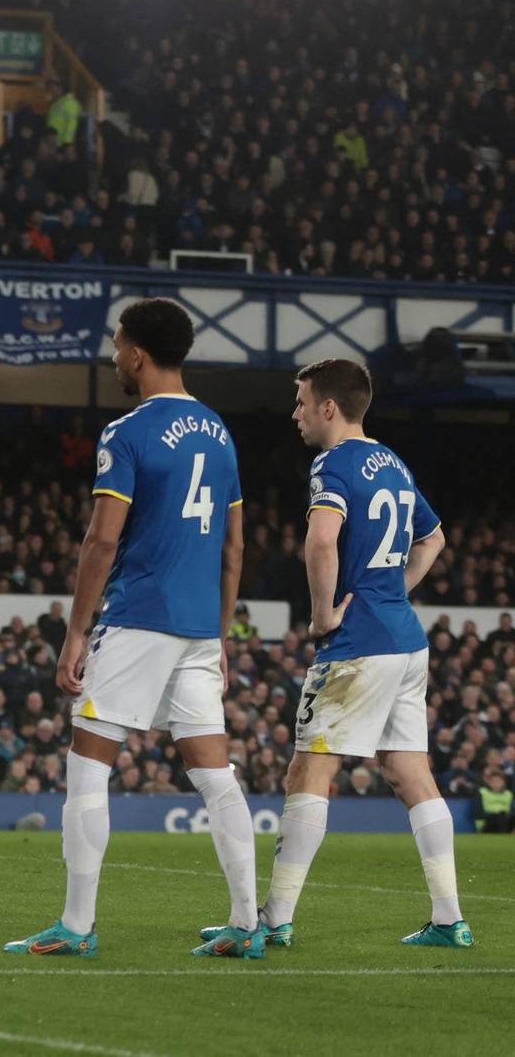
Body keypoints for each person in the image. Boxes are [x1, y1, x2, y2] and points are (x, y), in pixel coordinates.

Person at [6, 298, 261, 959]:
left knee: (88, 764)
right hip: (201, 625)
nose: (114, 354)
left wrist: (73, 633)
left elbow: (100, 541)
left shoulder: (128, 432)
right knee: (215, 772)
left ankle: (76, 925)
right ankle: (245, 921)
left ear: (139, 353)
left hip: (139, 615)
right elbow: (235, 548)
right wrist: (223, 634)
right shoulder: (219, 432)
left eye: (118, 344)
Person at [221, 359, 469, 947]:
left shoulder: (332, 464)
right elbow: (434, 538)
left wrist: (325, 613)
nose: (296, 412)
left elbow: (323, 538)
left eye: (302, 401)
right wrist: (391, 592)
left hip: (357, 645)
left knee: (309, 769)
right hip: (405, 641)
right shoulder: (395, 464)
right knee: (411, 774)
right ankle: (449, 918)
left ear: (329, 407)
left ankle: (273, 921)